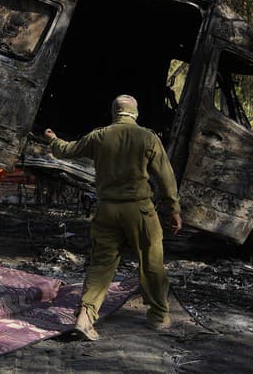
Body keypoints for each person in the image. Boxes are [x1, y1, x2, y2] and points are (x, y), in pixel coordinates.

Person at [44, 94, 182, 341]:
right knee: (151, 262)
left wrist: (53, 140)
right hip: (140, 211)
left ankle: (85, 318)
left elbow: (67, 150)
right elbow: (166, 177)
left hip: (107, 210)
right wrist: (174, 209)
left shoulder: (99, 136)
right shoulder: (148, 138)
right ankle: (159, 316)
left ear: (114, 112)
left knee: (101, 264)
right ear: (135, 113)